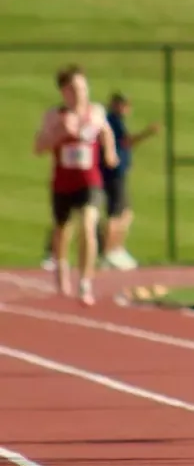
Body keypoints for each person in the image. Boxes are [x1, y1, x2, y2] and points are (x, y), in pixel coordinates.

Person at [34, 65, 117, 306]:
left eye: (82, 87)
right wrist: (59, 133)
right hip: (63, 182)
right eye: (73, 89)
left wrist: (110, 152)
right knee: (62, 231)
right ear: (64, 92)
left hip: (89, 181)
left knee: (89, 225)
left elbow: (106, 131)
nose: (80, 93)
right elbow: (38, 147)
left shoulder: (96, 112)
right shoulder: (54, 115)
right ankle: (61, 268)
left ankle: (85, 281)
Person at [97, 92, 160, 271]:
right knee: (115, 214)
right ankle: (108, 253)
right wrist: (147, 133)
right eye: (124, 105)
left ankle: (116, 249)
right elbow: (126, 142)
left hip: (118, 173)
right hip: (113, 173)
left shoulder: (116, 121)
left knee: (125, 213)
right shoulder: (112, 121)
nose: (127, 109)